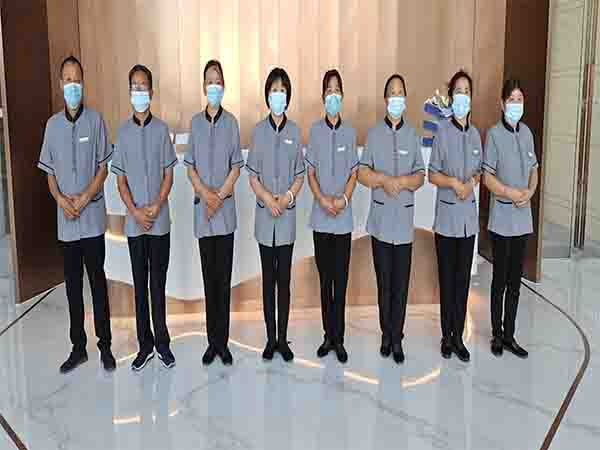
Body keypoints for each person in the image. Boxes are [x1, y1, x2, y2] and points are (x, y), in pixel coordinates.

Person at [37, 55, 115, 374]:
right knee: (72, 287)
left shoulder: (95, 121)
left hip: (92, 219)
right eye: (67, 80)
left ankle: (105, 346)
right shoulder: (52, 126)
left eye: (77, 80)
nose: (73, 85)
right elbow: (49, 172)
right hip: (67, 223)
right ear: (61, 84)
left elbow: (103, 167)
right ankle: (78, 348)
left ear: (84, 84)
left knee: (97, 284)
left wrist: (84, 198)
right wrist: (61, 199)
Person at [111, 64, 177, 371]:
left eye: (143, 86)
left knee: (158, 285)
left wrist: (157, 205)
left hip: (159, 222)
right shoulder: (123, 133)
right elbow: (120, 181)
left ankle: (162, 343)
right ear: (129, 92)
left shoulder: (162, 131)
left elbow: (169, 175)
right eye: (134, 86)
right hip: (135, 224)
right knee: (140, 285)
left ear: (151, 92)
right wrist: (136, 212)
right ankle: (145, 345)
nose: (139, 91)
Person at [358, 74, 425, 364]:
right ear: (385, 100)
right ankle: (386, 333)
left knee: (401, 284)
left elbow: (421, 175)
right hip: (381, 222)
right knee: (384, 283)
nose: (396, 98)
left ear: (405, 99)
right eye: (392, 93)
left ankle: (398, 337)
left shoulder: (412, 135)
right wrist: (384, 180)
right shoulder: (374, 135)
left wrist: (404, 182)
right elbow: (362, 173)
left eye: (400, 93)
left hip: (404, 222)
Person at [184, 60, 243, 366]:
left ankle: (224, 342)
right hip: (203, 214)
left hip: (224, 213)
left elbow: (236, 167)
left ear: (224, 86)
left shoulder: (231, 123)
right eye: (209, 81)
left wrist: (218, 197)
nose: (214, 86)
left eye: (218, 81)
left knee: (224, 281)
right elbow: (190, 167)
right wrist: (206, 196)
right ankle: (212, 342)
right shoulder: (195, 123)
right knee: (209, 281)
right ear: (203, 87)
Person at [246, 67, 305, 362]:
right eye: (274, 90)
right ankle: (270, 339)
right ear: (267, 96)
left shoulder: (295, 132)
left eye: (282, 90)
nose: (278, 95)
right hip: (265, 216)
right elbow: (252, 175)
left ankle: (283, 339)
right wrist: (268, 198)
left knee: (284, 281)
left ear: (288, 96)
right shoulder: (258, 131)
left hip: (286, 218)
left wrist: (288, 197)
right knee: (268, 281)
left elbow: (300, 175)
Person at [428, 70, 482, 363]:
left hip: (468, 221)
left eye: (467, 91)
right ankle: (446, 336)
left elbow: (479, 171)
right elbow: (432, 174)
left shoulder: (475, 135)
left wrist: (471, 182)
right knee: (447, 280)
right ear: (451, 97)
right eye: (458, 91)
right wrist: (453, 183)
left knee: (462, 283)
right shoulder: (442, 133)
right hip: (447, 220)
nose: (463, 96)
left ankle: (458, 336)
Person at [483, 78, 538, 359]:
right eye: (511, 100)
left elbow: (534, 169)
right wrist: (509, 193)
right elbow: (487, 177)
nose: (516, 104)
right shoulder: (494, 135)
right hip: (502, 219)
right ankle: (496, 333)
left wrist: (530, 191)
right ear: (502, 104)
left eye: (520, 99)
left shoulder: (527, 134)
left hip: (522, 219)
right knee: (500, 280)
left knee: (516, 282)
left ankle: (509, 336)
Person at [306, 69, 358, 364]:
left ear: (342, 96)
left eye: (337, 90)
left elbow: (354, 174)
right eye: (329, 90)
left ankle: (340, 338)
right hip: (321, 218)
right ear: (323, 96)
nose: (333, 95)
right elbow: (311, 173)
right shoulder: (315, 131)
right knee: (325, 281)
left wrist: (344, 200)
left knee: (341, 280)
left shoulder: (349, 132)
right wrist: (323, 200)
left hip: (343, 219)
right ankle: (328, 335)